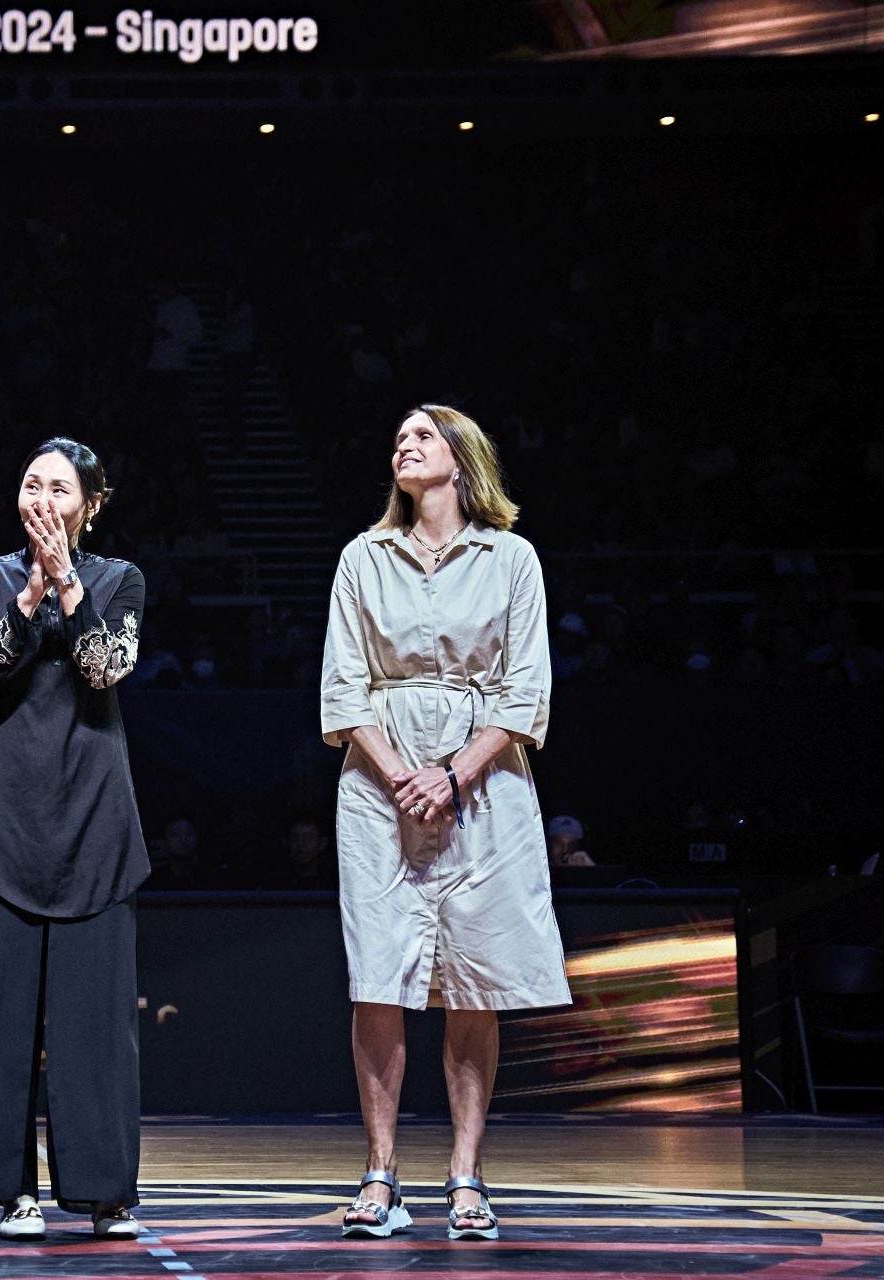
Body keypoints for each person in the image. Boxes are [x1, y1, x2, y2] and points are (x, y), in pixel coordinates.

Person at [319, 405, 570, 1243]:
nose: (404, 444)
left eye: (422, 435)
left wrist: (455, 774)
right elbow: (344, 687)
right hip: (378, 787)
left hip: (486, 785)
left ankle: (466, 1174)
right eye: (397, 436)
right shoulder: (363, 556)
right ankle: (381, 1173)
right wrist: (402, 776)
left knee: (476, 977)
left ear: (461, 460)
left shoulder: (512, 560)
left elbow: (526, 689)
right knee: (379, 978)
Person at [0, 438, 150, 1242]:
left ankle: (105, 1192)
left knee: (96, 1022)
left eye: (58, 488)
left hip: (95, 814)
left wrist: (67, 583)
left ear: (88, 506)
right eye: (30, 483)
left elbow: (105, 667)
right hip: (5, 817)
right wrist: (27, 598)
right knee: (1, 1017)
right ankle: (11, 1191)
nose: (41, 498)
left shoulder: (118, 580)